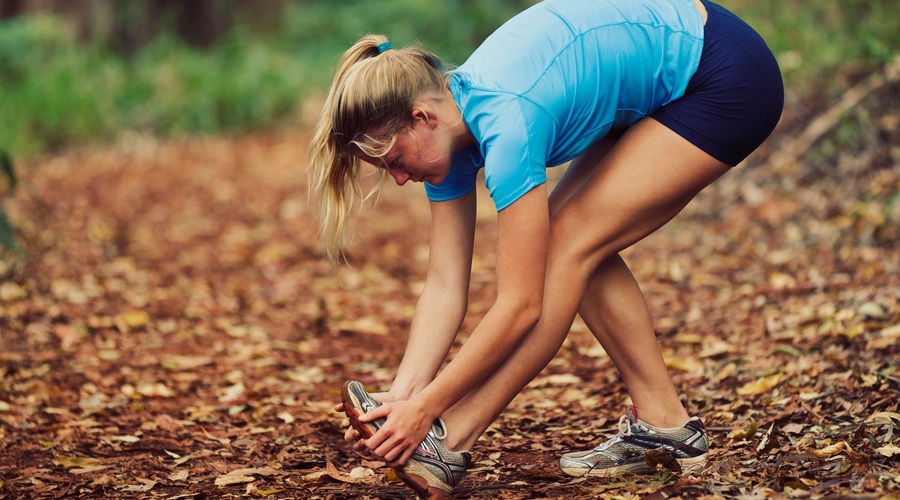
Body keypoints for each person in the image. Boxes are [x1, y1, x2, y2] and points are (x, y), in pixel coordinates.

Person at [308, 0, 783, 496]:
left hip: (725, 70)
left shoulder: (506, 121)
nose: (401, 178)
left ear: (421, 117)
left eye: (396, 160)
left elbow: (520, 305)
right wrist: (400, 399)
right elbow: (446, 284)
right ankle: (666, 427)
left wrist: (427, 411)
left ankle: (449, 441)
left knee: (567, 245)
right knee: (570, 239)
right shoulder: (446, 133)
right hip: (665, 70)